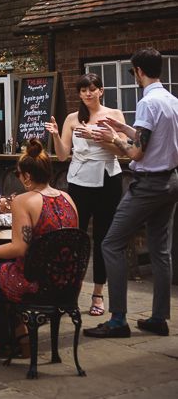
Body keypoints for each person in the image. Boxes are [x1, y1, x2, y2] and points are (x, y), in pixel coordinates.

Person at [86, 48, 178, 338]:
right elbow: (153, 137)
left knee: (110, 244)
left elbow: (137, 152)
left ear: (138, 70)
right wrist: (123, 127)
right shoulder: (172, 101)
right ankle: (159, 318)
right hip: (171, 181)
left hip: (148, 184)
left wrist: (113, 138)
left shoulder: (148, 102)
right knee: (161, 251)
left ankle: (117, 320)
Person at [0, 139, 78, 364]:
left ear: (26, 176)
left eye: (18, 175)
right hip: (67, 284)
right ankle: (23, 339)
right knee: (8, 273)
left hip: (37, 286)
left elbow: (19, 247)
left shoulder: (24, 201)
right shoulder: (68, 198)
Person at [44, 73, 126, 318]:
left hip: (107, 180)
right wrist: (57, 135)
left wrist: (99, 138)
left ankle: (98, 293)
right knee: (74, 238)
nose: (88, 94)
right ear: (79, 93)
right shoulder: (72, 118)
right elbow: (61, 156)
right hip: (79, 182)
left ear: (101, 91)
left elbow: (123, 150)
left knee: (103, 237)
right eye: (83, 90)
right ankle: (69, 292)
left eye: (92, 89)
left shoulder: (114, 115)